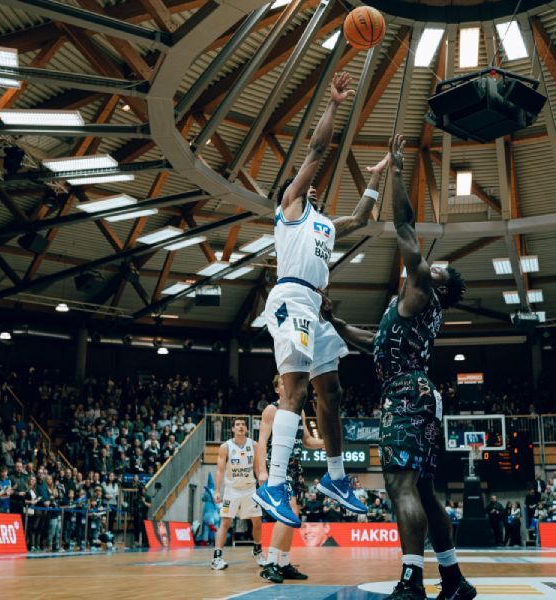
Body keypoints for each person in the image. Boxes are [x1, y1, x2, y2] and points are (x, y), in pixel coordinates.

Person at [322, 134, 472, 600]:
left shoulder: (422, 289)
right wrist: (335, 321)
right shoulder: (413, 310)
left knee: (399, 483)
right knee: (424, 490)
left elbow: (404, 226)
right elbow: (376, 343)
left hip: (405, 395)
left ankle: (412, 580)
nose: (430, 265)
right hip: (420, 391)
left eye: (437, 268)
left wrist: (400, 170)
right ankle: (453, 580)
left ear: (438, 285)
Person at [254, 71, 374, 527]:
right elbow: (317, 152)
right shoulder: (290, 209)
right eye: (304, 186)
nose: (310, 189)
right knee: (297, 389)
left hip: (317, 309)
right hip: (292, 300)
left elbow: (362, 217)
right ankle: (275, 484)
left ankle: (336, 476)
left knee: (333, 391)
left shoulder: (325, 224)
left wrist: (379, 176)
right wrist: (334, 104)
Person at [256, 374, 323, 583]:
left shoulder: (299, 412)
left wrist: (328, 441)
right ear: (277, 389)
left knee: (293, 516)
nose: (290, 387)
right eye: (285, 384)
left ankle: (283, 563)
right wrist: (262, 472)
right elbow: (261, 441)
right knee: (289, 511)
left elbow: (308, 441)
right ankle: (270, 564)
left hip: (295, 468)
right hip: (277, 466)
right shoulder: (272, 410)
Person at [211, 418, 264, 570]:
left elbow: (257, 468)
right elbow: (220, 470)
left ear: (246, 428)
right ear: (233, 429)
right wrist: (216, 490)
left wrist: (262, 486)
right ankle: (217, 557)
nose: (241, 427)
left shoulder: (253, 445)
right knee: (225, 522)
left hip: (250, 489)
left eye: (243, 424)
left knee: (257, 521)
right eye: (237, 425)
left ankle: (258, 551)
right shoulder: (225, 447)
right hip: (232, 490)